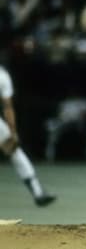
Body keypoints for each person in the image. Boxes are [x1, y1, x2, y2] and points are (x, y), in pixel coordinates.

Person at [0, 65, 56, 207]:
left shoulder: (3, 75)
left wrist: (12, 134)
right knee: (15, 152)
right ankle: (37, 192)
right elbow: (7, 106)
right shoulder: (2, 75)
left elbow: (7, 107)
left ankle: (38, 192)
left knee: (15, 151)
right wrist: (13, 133)